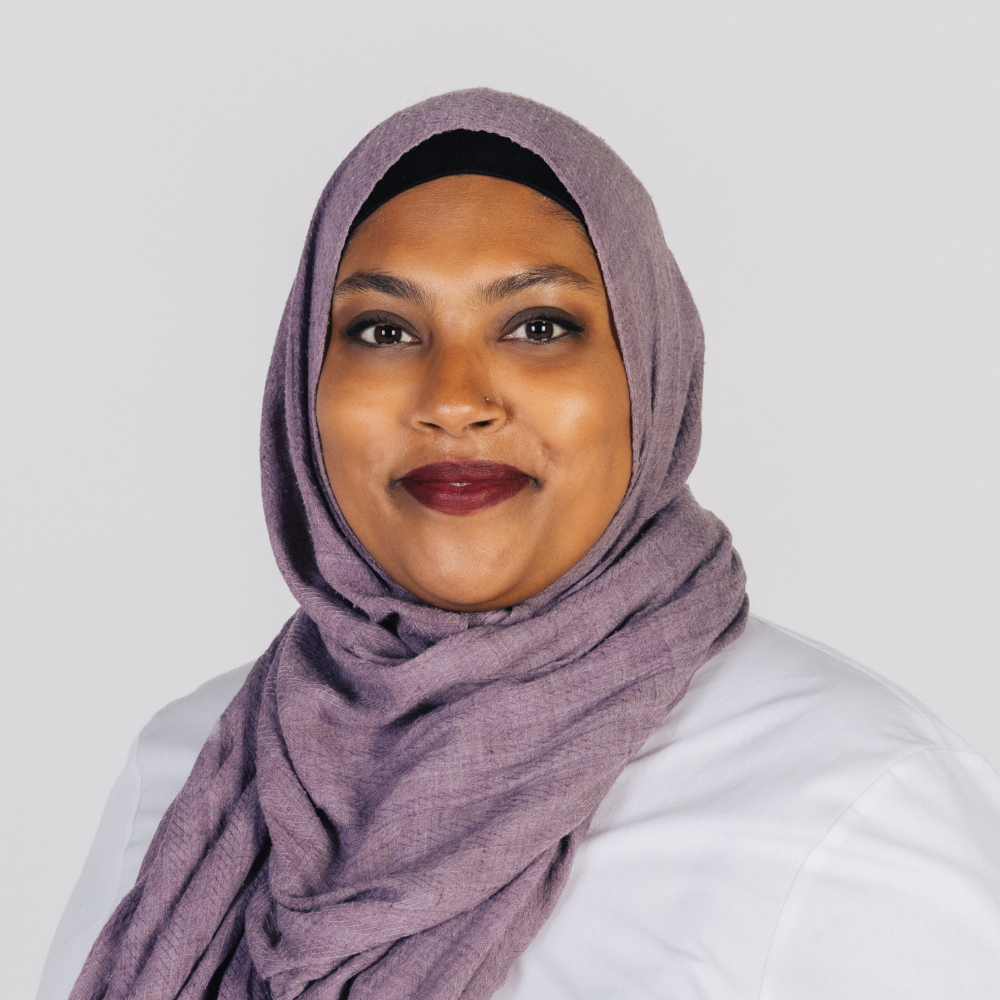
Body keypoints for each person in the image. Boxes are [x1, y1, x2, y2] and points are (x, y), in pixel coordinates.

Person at [41, 89, 1000, 1000]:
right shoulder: (192, 772)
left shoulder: (851, 804)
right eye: (382, 329)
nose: (455, 399)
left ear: (649, 376)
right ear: (304, 389)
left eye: (538, 326)